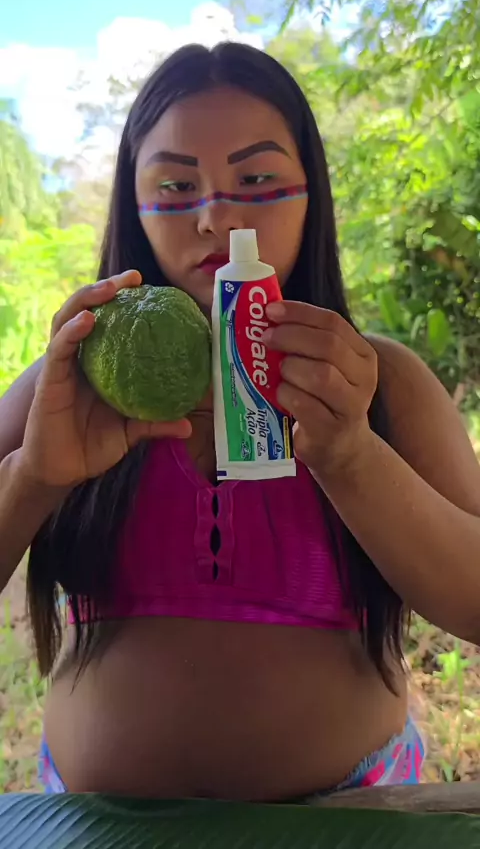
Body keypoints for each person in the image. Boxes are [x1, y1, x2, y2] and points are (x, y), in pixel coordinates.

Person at [1, 41, 480, 802]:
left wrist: (352, 456)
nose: (214, 216)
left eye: (255, 179)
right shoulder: (68, 383)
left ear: (312, 194)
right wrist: (33, 479)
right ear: (132, 202)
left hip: (353, 817)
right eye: (175, 184)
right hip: (97, 826)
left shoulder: (384, 382)